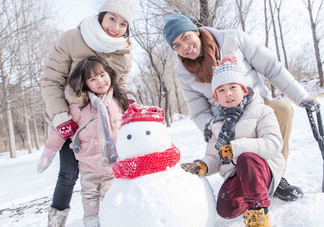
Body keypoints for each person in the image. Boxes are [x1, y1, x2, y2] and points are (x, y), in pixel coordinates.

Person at [163, 13, 320, 202]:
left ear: (196, 31)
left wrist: (301, 97)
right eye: (176, 46)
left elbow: (271, 67)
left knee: (283, 108)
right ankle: (242, 179)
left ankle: (275, 176)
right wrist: (211, 126)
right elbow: (199, 112)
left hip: (257, 105)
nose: (184, 47)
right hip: (226, 119)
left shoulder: (233, 39)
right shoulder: (185, 76)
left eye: (185, 37)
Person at [38, 0, 137, 226]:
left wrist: (127, 103)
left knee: (112, 173)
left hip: (105, 125)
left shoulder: (124, 51)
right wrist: (60, 115)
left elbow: (120, 86)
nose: (116, 27)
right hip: (72, 121)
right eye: (112, 18)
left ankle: (114, 217)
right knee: (69, 174)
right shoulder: (73, 38)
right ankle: (57, 220)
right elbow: (51, 80)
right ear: (101, 15)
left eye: (123, 24)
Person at [182, 54, 284, 226]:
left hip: (264, 170)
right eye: (221, 90)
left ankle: (258, 211)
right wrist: (204, 165)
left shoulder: (261, 111)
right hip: (235, 174)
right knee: (226, 210)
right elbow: (215, 157)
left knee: (246, 158)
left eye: (233, 87)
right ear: (216, 97)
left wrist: (236, 148)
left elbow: (274, 144)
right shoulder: (215, 124)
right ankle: (253, 194)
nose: (228, 93)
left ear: (244, 90)